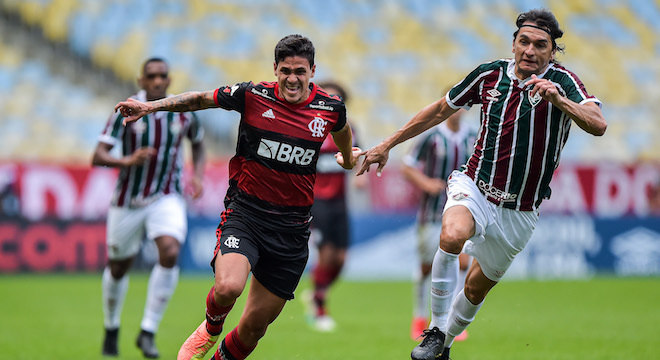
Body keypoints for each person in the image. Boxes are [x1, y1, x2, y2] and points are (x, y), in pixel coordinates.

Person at [357, 9, 606, 360]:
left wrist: (559, 101)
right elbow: (440, 110)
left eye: (540, 45)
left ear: (552, 51)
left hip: (520, 210)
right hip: (475, 186)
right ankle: (434, 331)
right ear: (514, 43)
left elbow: (598, 124)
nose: (530, 51)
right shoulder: (489, 74)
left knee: (475, 288)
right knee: (452, 234)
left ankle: (443, 343)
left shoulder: (563, 82)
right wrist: (387, 144)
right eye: (524, 42)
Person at [115, 34, 360, 360]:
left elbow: (342, 130)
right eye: (285, 70)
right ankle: (210, 329)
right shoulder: (252, 95)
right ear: (275, 69)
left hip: (292, 230)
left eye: (299, 71)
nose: (292, 78)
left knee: (253, 328)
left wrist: (346, 155)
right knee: (228, 287)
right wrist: (151, 106)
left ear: (312, 71)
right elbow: (200, 99)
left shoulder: (329, 109)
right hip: (246, 214)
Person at [93, 57, 206, 358]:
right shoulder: (125, 111)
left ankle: (147, 331)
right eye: (151, 77)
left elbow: (197, 141)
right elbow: (98, 155)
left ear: (169, 81)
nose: (157, 81)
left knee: (170, 251)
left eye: (163, 76)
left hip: (166, 195)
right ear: (141, 81)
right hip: (128, 199)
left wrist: (196, 174)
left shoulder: (184, 113)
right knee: (118, 267)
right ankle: (111, 328)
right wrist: (127, 161)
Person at [400, 108, 475, 340]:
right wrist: (426, 183)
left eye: (464, 106)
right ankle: (419, 317)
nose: (458, 111)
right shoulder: (432, 137)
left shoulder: (473, 138)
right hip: (432, 213)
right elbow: (407, 166)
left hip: (463, 211)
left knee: (462, 263)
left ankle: (452, 320)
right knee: (426, 267)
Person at [305, 81, 367, 332]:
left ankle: (316, 292)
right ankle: (319, 307)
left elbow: (357, 155)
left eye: (338, 98)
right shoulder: (310, 127)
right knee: (327, 254)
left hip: (340, 201)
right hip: (315, 201)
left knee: (341, 260)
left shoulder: (347, 129)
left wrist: (360, 175)